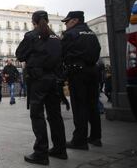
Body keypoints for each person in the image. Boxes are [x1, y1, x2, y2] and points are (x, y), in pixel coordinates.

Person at [16, 10, 67, 165]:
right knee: (55, 115)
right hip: (54, 80)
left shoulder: (32, 36)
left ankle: (41, 153)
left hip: (38, 81)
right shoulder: (56, 38)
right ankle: (60, 149)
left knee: (37, 115)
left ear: (34, 22)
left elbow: (20, 54)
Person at [61, 11, 102, 149]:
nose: (66, 24)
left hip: (77, 73)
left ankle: (80, 140)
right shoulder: (91, 33)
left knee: (79, 106)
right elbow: (98, 50)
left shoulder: (70, 34)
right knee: (93, 105)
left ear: (75, 20)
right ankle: (96, 137)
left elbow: (63, 54)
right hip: (92, 71)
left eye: (67, 21)